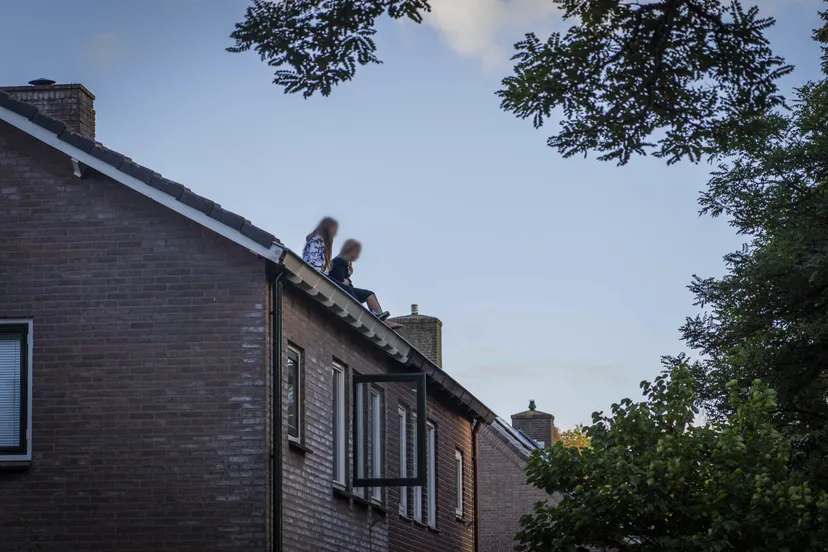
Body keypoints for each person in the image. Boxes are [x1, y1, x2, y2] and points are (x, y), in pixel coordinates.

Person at [328, 239, 403, 329]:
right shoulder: (340, 261)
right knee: (365, 294)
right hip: (341, 290)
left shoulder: (345, 263)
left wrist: (348, 282)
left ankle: (383, 320)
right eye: (356, 253)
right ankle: (369, 316)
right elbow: (340, 280)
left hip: (348, 289)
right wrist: (347, 282)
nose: (358, 256)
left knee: (369, 294)